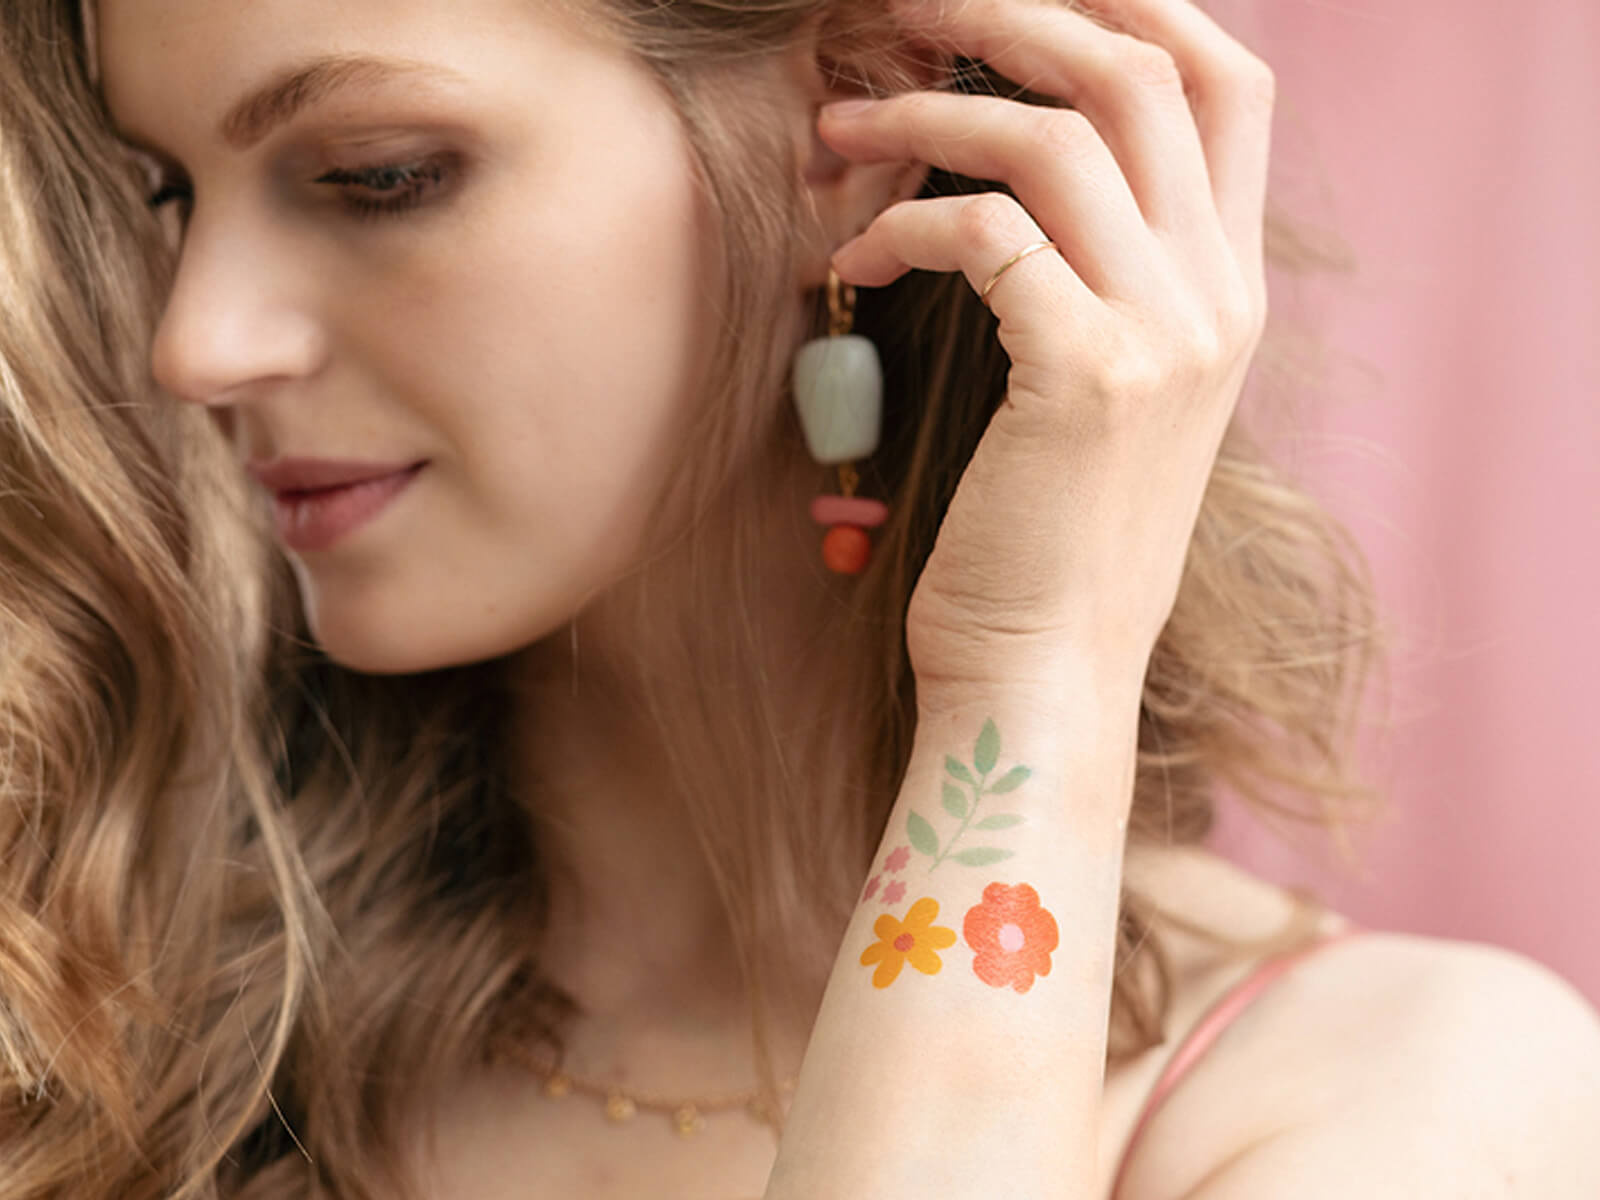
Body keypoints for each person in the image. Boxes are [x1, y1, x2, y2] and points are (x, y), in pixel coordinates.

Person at [1, 0, 1596, 1196]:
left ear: (852, 131)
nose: (196, 344)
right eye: (168, 196)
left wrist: (1034, 670)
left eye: (376, 176)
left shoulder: (1400, 1102)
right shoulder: (108, 1019)